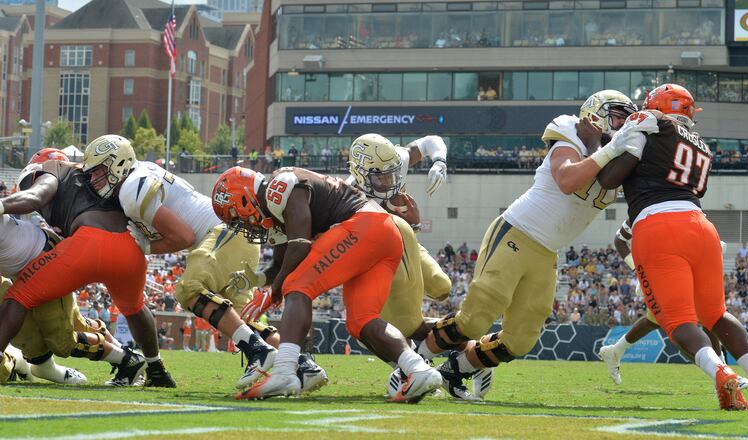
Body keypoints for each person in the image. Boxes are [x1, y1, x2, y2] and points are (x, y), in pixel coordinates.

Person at [416, 90, 638, 398]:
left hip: (547, 251)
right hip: (518, 231)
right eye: (618, 116)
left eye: (629, 119)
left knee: (521, 338)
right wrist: (609, 148)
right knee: (477, 317)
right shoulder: (571, 129)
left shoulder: (620, 155)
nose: (624, 124)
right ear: (593, 115)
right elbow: (567, 180)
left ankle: (456, 369)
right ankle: (414, 362)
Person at [596, 83, 748, 410]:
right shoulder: (703, 146)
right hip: (701, 226)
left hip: (658, 226)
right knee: (716, 314)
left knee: (677, 322)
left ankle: (721, 372)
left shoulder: (655, 124)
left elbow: (609, 177)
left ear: (658, 105)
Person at [87, 135, 324, 392]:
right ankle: (303, 364)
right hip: (235, 236)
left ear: (119, 162)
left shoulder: (132, 188)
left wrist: (144, 246)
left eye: (99, 170)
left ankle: (257, 349)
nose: (94, 179)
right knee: (243, 319)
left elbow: (184, 236)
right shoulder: (139, 176)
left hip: (224, 230)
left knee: (190, 288)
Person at [212, 166, 442, 402]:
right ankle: (418, 370)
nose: (245, 225)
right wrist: (258, 279)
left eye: (238, 217)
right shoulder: (277, 206)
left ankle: (284, 371)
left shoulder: (278, 187)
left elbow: (299, 247)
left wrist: (272, 293)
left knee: (297, 286)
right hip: (383, 233)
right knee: (361, 320)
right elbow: (283, 264)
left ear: (244, 200)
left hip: (364, 225)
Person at [0, 143, 174, 387]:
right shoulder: (91, 176)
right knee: (135, 308)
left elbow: (36, 196)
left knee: (19, 297)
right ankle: (157, 370)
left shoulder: (51, 170)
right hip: (129, 247)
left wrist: (3, 204)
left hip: (89, 244)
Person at [345, 134, 478, 397]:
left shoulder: (395, 158)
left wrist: (439, 161)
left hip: (408, 241)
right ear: (360, 174)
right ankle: (419, 367)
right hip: (376, 258)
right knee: (398, 324)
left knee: (442, 287)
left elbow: (431, 141)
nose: (390, 181)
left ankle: (428, 364)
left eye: (391, 173)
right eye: (381, 176)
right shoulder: (347, 197)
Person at [598, 220, 748, 390]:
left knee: (660, 319)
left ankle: (615, 352)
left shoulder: (681, 206)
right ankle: (723, 374)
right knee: (690, 318)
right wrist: (639, 271)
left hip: (678, 266)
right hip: (661, 271)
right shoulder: (643, 208)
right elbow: (620, 241)